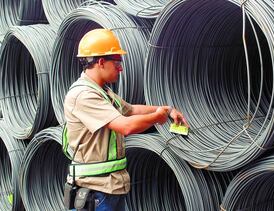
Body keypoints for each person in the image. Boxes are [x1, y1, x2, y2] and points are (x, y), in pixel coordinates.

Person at [63, 28, 188, 211]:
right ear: (101, 62)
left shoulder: (103, 92)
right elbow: (125, 126)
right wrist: (157, 117)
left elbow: (131, 110)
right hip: (94, 192)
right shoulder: (83, 95)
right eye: (117, 63)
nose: (121, 68)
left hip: (110, 187)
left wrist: (167, 110)